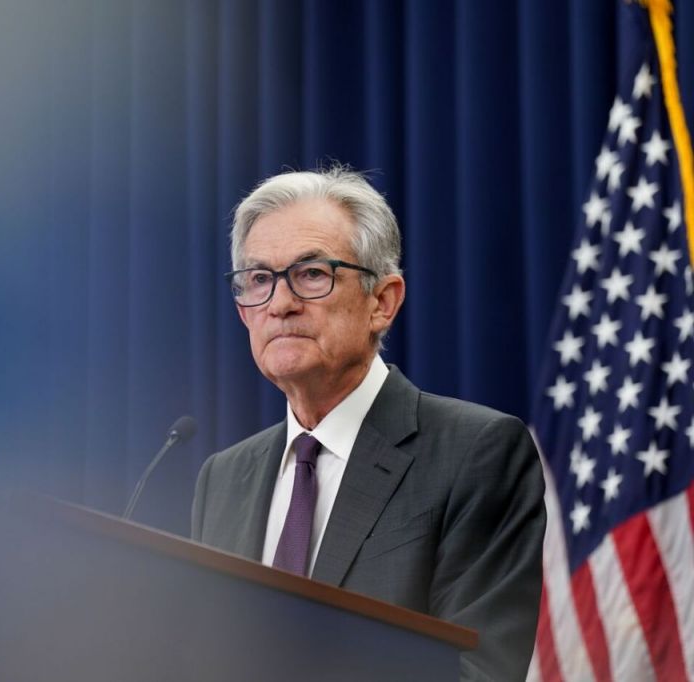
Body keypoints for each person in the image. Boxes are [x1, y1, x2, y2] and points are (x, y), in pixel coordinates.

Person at [191, 166, 545, 681]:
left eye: (312, 274)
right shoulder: (223, 478)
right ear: (244, 312)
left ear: (382, 302)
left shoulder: (477, 452)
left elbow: (477, 671)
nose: (281, 304)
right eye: (260, 279)